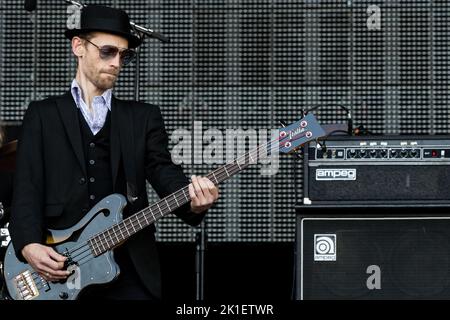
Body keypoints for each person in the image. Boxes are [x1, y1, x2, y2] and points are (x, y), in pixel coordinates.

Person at [9, 5, 219, 300]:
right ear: (78, 46)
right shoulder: (42, 115)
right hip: (59, 264)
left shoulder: (142, 117)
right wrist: (29, 245)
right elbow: (27, 187)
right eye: (108, 51)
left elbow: (163, 172)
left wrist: (195, 201)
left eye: (124, 55)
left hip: (129, 265)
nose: (117, 62)